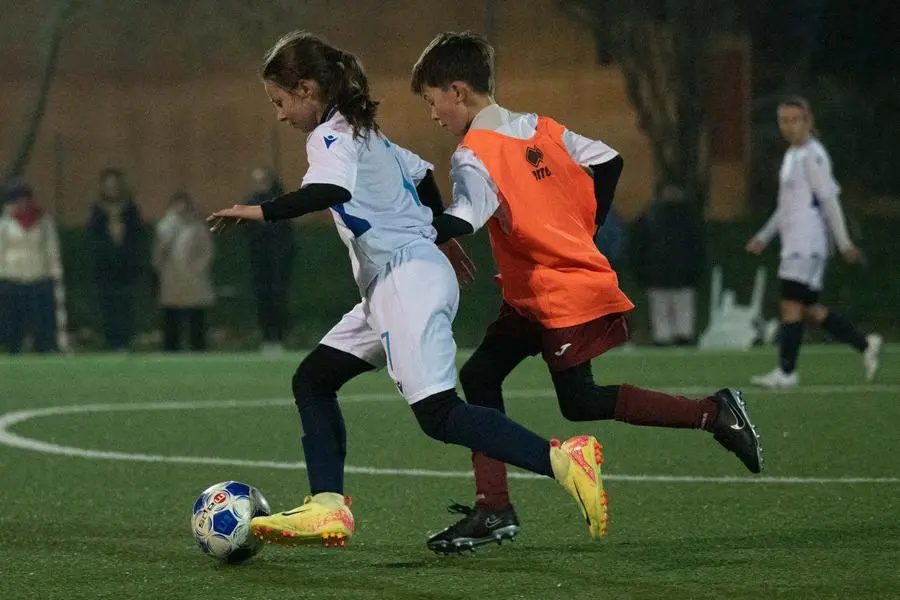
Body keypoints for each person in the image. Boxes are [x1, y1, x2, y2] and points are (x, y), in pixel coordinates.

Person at [207, 30, 610, 549]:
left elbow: (330, 190)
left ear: (307, 89)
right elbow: (421, 175)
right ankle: (328, 507)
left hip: (404, 280)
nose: (280, 114)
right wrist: (435, 235)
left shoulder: (330, 134)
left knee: (439, 414)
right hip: (396, 280)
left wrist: (260, 211)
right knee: (313, 379)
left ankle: (562, 460)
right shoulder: (364, 130)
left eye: (280, 101)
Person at [410, 31, 763, 554]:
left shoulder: (472, 154)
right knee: (480, 375)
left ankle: (714, 412)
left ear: (457, 91)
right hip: (536, 291)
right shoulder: (541, 127)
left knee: (579, 402)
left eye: (432, 99)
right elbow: (609, 160)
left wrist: (411, 225)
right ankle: (493, 507)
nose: (433, 113)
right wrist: (581, 227)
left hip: (559, 294)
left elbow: (464, 216)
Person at [746, 97, 882, 388]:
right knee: (809, 308)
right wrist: (764, 235)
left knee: (790, 306)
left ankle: (786, 373)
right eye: (784, 120)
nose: (789, 126)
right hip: (796, 243)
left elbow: (830, 200)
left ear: (808, 121)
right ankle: (865, 343)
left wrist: (844, 241)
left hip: (806, 244)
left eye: (795, 119)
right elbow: (786, 207)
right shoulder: (792, 156)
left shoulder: (813, 155)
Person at [632, 182, 705, 346]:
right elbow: (698, 247)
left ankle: (665, 338)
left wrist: (642, 273)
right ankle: (680, 337)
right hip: (679, 274)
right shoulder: (689, 217)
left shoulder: (649, 217)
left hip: (659, 274)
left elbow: (638, 247)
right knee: (679, 309)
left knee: (663, 311)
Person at [0, 179, 63, 353]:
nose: (22, 203)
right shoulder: (5, 224)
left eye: (24, 198)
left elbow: (51, 248)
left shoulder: (44, 221)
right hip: (12, 279)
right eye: (16, 200)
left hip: (39, 277)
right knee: (13, 319)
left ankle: (45, 347)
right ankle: (13, 347)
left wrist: (55, 272)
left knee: (42, 319)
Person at [85, 168, 144, 351]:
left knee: (126, 307)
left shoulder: (131, 211)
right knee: (108, 308)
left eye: (115, 185)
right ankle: (111, 342)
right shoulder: (97, 212)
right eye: (108, 185)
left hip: (126, 270)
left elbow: (138, 240)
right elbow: (91, 241)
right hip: (104, 271)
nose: (112, 189)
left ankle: (125, 342)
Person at [152, 191, 214, 351]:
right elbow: (158, 253)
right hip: (171, 277)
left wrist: (197, 268)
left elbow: (206, 250)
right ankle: (171, 348)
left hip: (194, 278)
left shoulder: (197, 226)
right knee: (171, 316)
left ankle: (198, 347)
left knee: (196, 316)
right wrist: (160, 268)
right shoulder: (164, 226)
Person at [243, 167, 296, 353]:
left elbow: (286, 233)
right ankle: (266, 337)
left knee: (278, 298)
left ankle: (279, 336)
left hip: (278, 261)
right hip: (259, 260)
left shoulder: (280, 201)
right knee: (263, 299)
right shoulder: (250, 204)